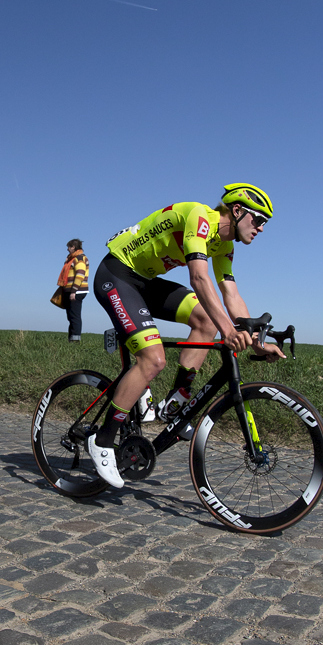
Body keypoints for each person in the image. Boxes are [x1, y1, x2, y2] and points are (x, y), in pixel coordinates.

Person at [89, 183, 284, 489]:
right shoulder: (199, 218)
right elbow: (198, 278)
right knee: (153, 360)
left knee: (206, 320)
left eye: (264, 224)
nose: (260, 228)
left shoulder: (225, 245)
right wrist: (228, 330)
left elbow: (230, 294)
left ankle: (176, 401)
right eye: (258, 220)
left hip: (145, 282)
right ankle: (102, 441)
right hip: (117, 274)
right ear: (237, 211)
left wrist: (256, 342)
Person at [53, 240, 89, 342]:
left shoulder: (80, 258)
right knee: (71, 316)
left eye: (69, 247)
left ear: (73, 247)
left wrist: (74, 291)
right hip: (71, 290)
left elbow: (80, 274)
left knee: (74, 316)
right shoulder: (72, 259)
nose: (67, 249)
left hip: (77, 291)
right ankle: (71, 339)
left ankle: (75, 341)